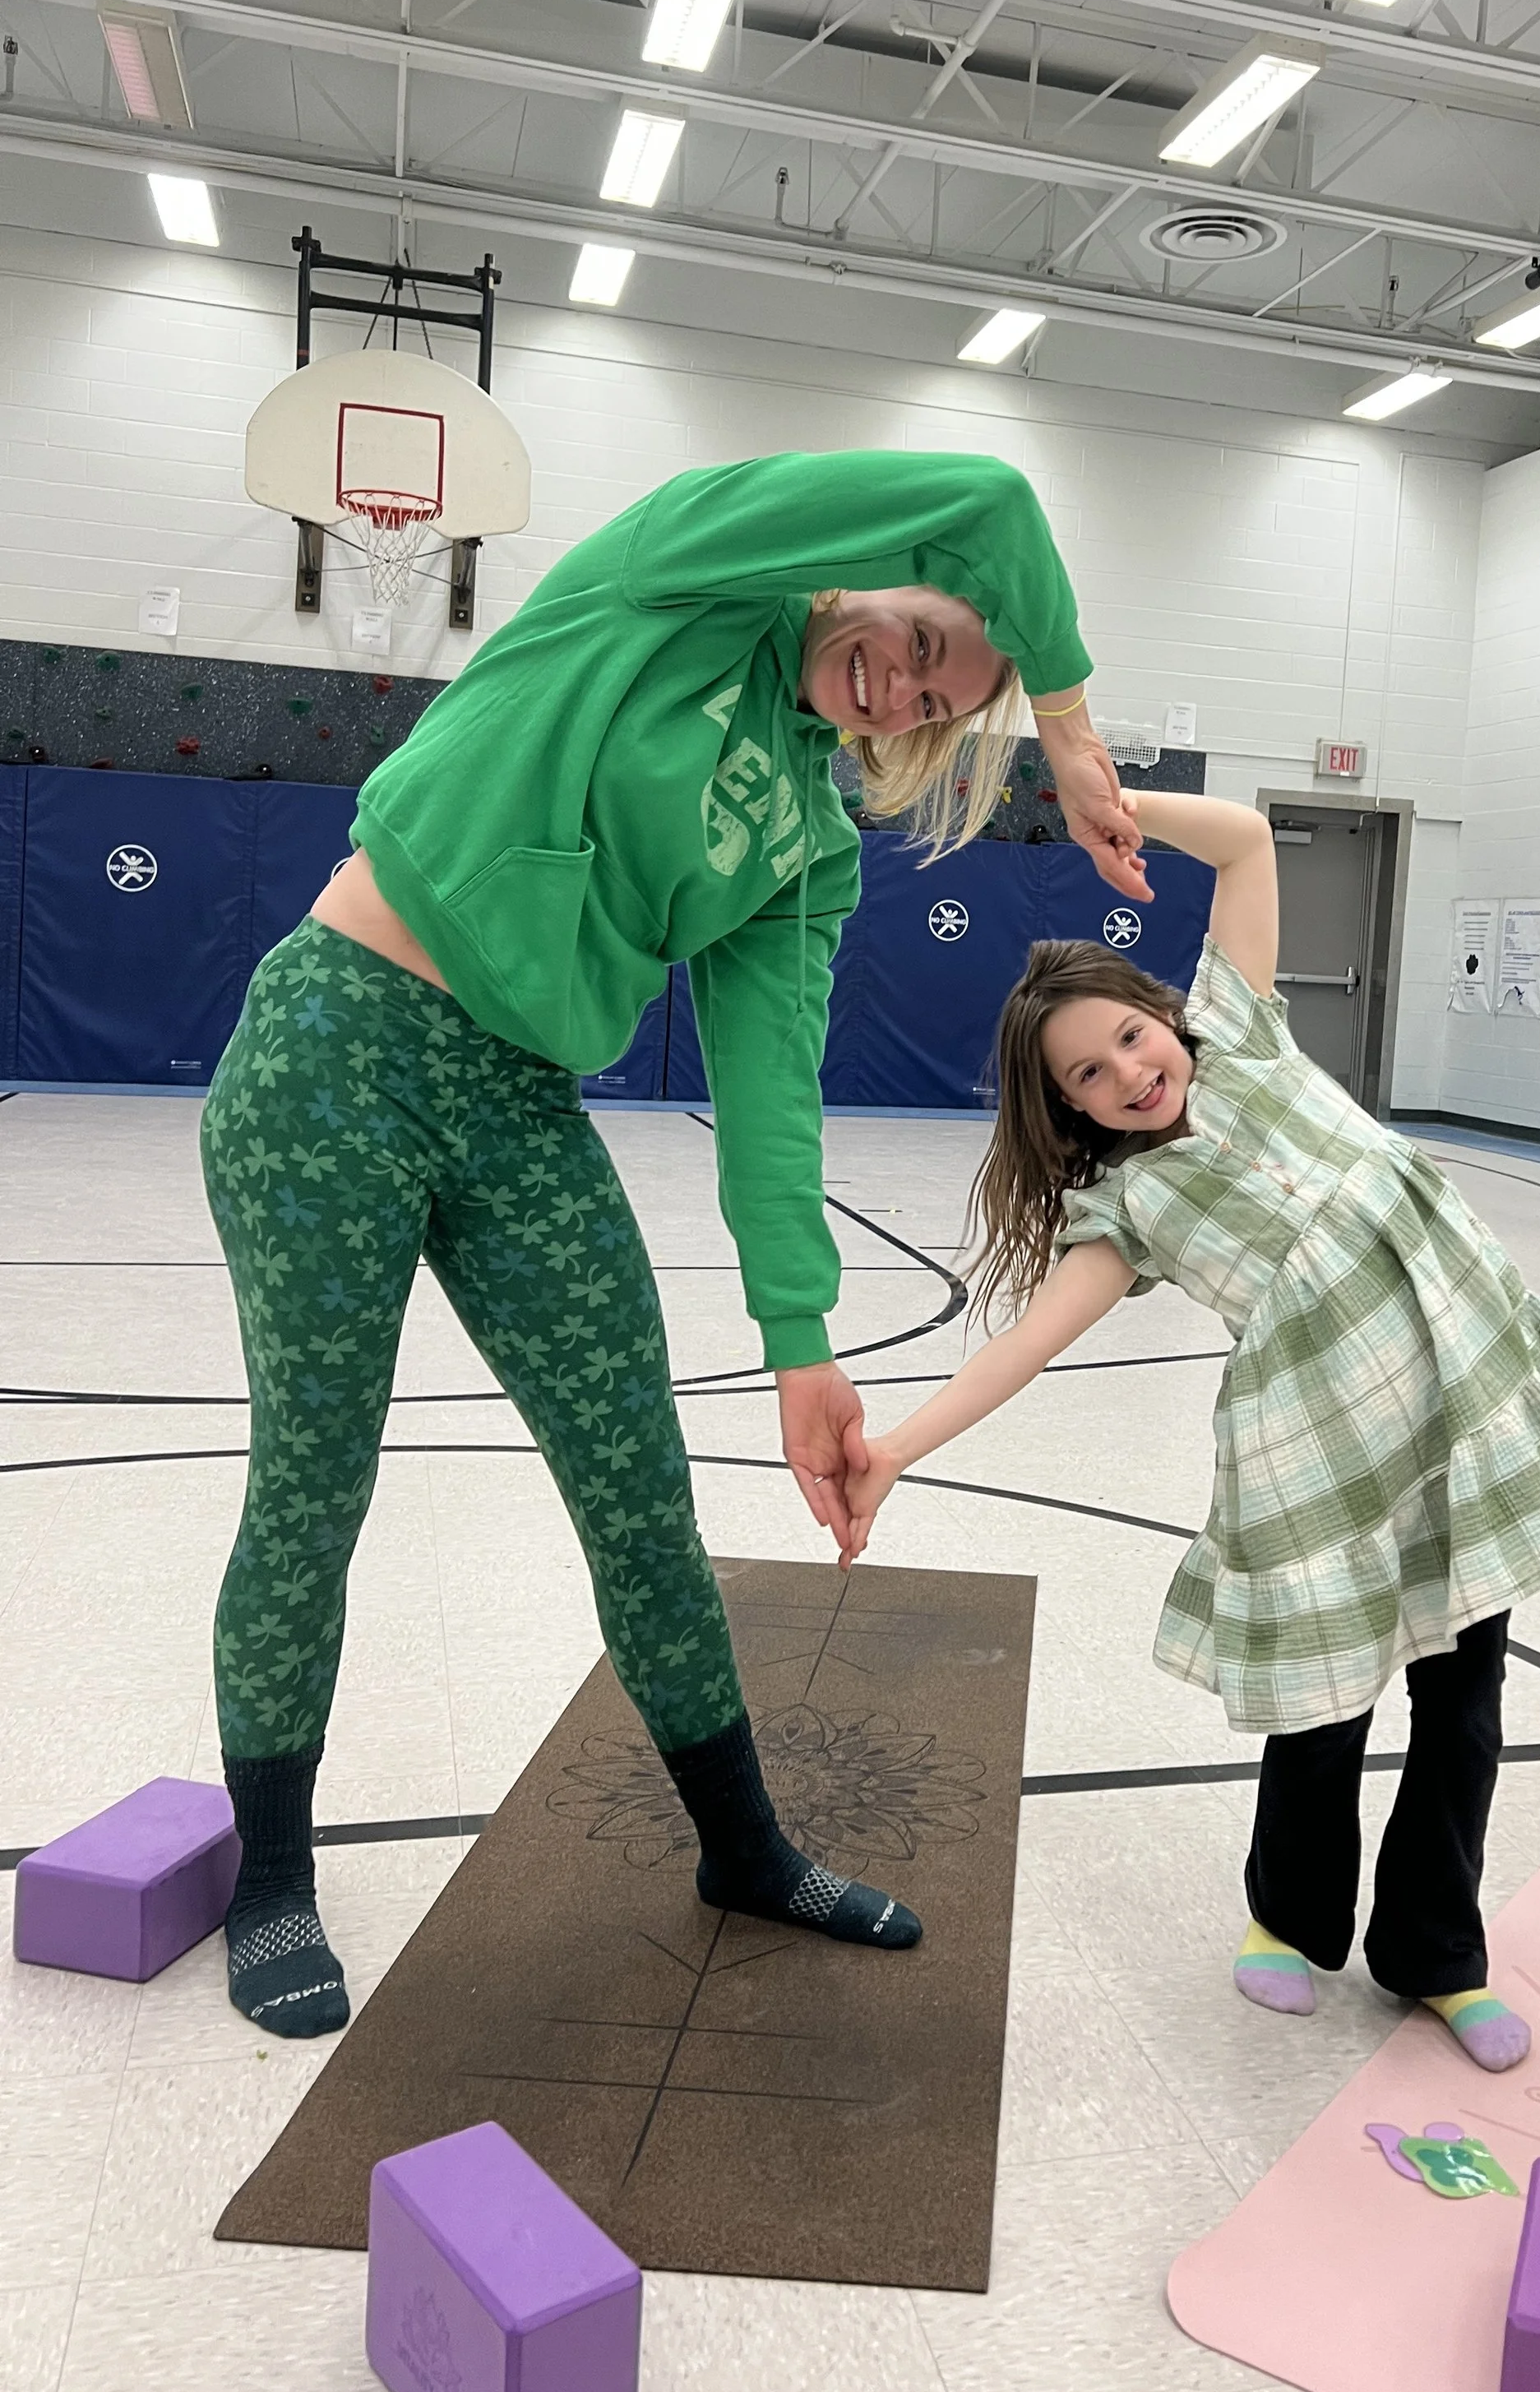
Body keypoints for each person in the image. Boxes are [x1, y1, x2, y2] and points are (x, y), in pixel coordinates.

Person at [200, 448, 1145, 2038]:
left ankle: (743, 1848)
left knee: (640, 1485)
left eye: (935, 704)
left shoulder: (811, 849)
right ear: (879, 578)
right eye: (921, 645)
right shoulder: (681, 577)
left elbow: (774, 1104)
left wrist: (804, 1347)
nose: (904, 691)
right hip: (329, 1055)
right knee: (316, 1472)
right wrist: (1064, 720)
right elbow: (989, 499)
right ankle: (273, 1875)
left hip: (516, 1103)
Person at [842, 792, 1540, 2069]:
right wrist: (895, 1451)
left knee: (1464, 1704)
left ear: (1168, 1016)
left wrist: (1101, 797)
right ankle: (1284, 1920)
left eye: (1134, 1039)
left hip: (1446, 1416)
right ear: (1068, 1110)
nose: (1129, 1075)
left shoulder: (1245, 1037)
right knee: (1325, 1707)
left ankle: (1439, 1955)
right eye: (1088, 1076)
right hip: (1316, 1458)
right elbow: (1025, 1345)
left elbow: (1250, 842)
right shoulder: (1125, 1208)